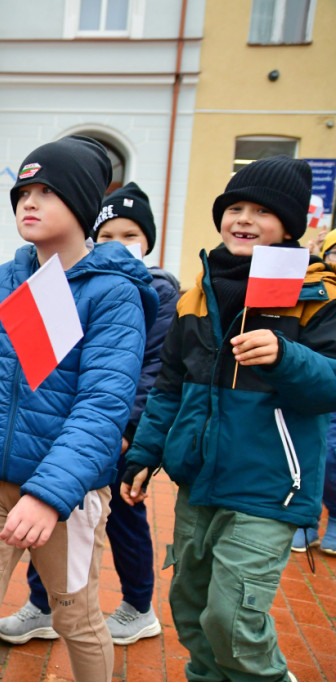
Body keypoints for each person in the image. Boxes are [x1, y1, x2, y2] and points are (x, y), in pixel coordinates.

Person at [0, 135, 157, 682]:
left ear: (80, 204)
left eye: (47, 190)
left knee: (76, 617)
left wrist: (48, 495)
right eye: (23, 190)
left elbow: (102, 408)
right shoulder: (4, 280)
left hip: (64, 497)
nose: (28, 201)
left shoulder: (112, 293)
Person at [122, 155, 336, 682]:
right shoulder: (197, 296)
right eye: (234, 207)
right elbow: (169, 387)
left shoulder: (316, 294)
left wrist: (287, 356)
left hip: (270, 488)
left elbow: (330, 384)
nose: (243, 218)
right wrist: (146, 454)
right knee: (192, 613)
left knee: (233, 619)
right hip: (199, 481)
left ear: (289, 225)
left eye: (261, 210)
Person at [0, 181, 178, 647]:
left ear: (148, 241)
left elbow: (148, 372)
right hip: (74, 434)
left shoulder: (157, 294)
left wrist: (129, 430)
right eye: (108, 234)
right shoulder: (70, 282)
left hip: (119, 434)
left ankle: (138, 605)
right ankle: (42, 605)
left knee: (123, 521)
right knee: (49, 518)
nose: (118, 244)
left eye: (129, 234)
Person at [292, 227, 336, 554]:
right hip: (318, 382)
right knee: (314, 449)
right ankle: (306, 520)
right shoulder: (318, 291)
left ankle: (334, 516)